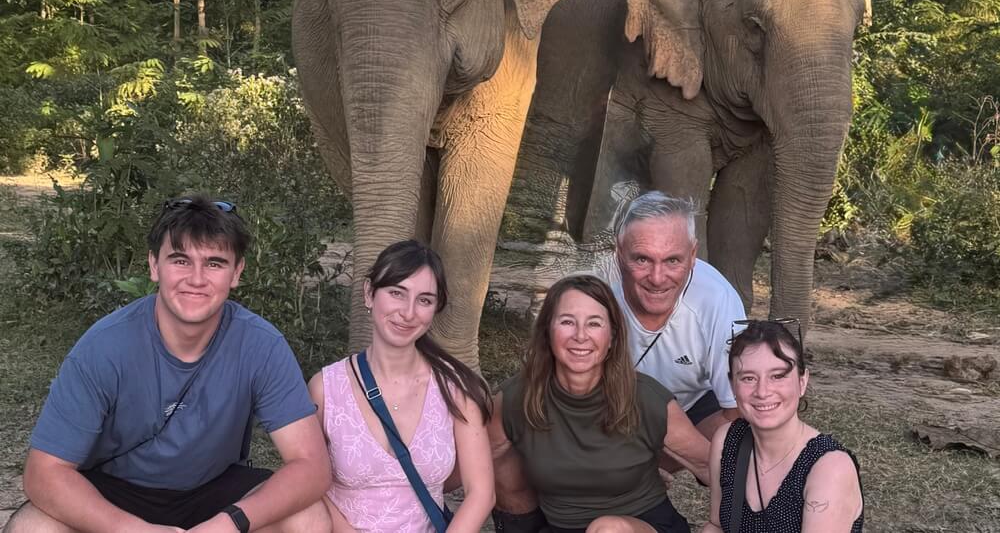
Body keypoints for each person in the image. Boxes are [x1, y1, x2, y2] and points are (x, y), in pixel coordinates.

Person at [4, 196, 331, 533]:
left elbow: (311, 466)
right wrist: (134, 530)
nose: (197, 279)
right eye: (180, 260)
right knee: (33, 528)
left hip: (213, 491)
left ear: (237, 272)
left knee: (308, 520)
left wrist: (229, 523)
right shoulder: (103, 346)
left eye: (215, 263)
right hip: (116, 489)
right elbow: (44, 472)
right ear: (153, 265)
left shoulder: (261, 345)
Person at [490, 274, 711, 533]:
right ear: (547, 331)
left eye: (594, 324)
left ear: (612, 337)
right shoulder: (517, 397)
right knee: (499, 462)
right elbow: (469, 466)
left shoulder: (646, 397)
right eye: (567, 322)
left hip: (639, 525)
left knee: (607, 529)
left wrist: (720, 523)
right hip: (561, 526)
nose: (580, 336)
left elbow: (712, 467)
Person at [308, 240, 494, 532]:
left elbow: (481, 493)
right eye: (397, 293)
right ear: (370, 293)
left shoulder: (456, 388)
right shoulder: (325, 388)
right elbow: (304, 483)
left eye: (424, 300)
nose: (408, 312)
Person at [701, 320, 864, 532]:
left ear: (802, 382)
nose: (762, 391)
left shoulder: (829, 468)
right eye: (748, 378)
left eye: (778, 376)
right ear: (732, 385)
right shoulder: (727, 441)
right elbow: (717, 526)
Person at [609, 192, 747, 441]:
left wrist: (650, 466)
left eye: (672, 260)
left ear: (693, 254)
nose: (657, 278)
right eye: (642, 259)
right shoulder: (596, 290)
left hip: (693, 404)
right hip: (612, 403)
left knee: (743, 435)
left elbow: (736, 410)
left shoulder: (717, 299)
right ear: (619, 251)